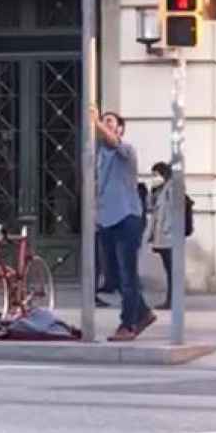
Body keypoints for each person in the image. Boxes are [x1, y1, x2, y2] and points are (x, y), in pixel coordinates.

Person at [93, 109, 153, 341]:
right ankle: (144, 312)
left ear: (119, 129)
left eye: (110, 122)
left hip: (127, 218)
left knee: (128, 274)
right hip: (106, 220)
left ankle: (128, 324)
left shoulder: (126, 151)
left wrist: (96, 121)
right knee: (114, 277)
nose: (105, 126)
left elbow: (112, 140)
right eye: (104, 121)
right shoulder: (97, 154)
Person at [144, 162, 175, 309]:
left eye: (156, 174)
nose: (154, 177)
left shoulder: (172, 188)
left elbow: (174, 212)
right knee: (168, 269)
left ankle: (172, 300)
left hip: (168, 237)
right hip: (160, 236)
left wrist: (168, 229)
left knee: (171, 270)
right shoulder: (161, 190)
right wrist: (152, 191)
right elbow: (150, 207)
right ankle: (170, 300)